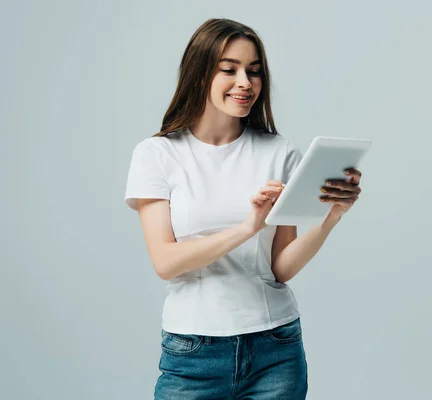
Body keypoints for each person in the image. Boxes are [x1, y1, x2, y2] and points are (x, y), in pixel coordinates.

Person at [124, 18, 363, 400]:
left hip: (275, 349)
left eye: (254, 72)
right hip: (193, 354)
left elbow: (281, 269)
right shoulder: (157, 155)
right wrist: (248, 227)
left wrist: (330, 218)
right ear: (200, 75)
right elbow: (166, 262)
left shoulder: (280, 152)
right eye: (229, 69)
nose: (245, 83)